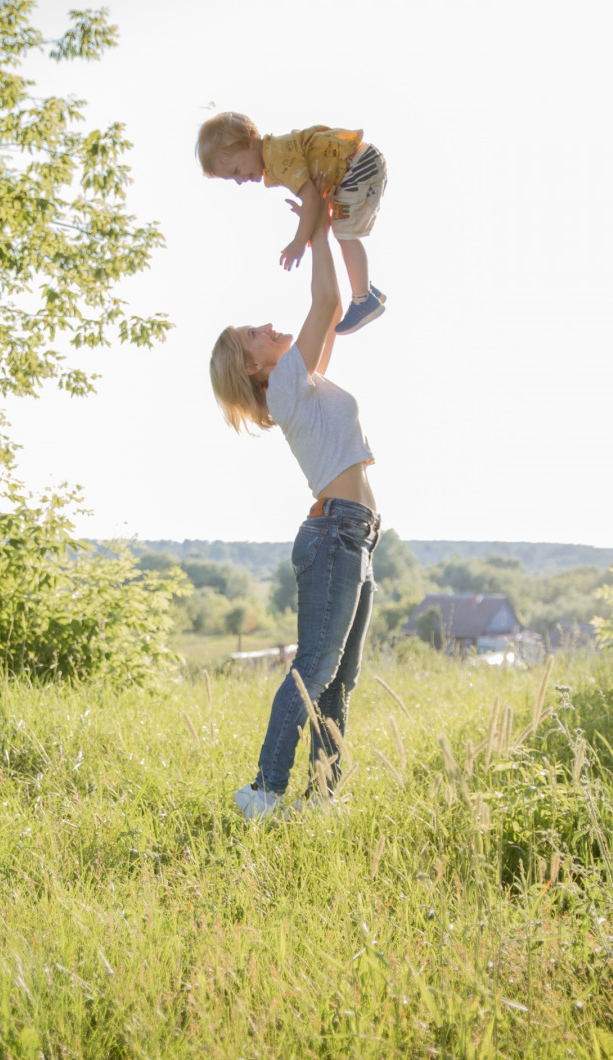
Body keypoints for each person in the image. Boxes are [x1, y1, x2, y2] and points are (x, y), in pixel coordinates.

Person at [209, 184, 381, 821]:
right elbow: (328, 299)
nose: (268, 327)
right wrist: (317, 230)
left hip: (357, 536)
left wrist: (322, 225)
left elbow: (329, 313)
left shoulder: (299, 380)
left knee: (339, 679)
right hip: (335, 535)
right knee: (314, 665)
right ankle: (264, 791)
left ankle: (324, 798)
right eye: (255, 333)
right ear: (252, 368)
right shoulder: (284, 384)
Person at [197, 112, 387, 336]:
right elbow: (315, 198)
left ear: (248, 143)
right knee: (342, 229)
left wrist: (299, 242)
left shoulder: (279, 161)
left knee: (344, 233)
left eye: (236, 171)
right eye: (233, 179)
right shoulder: (279, 151)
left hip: (356, 167)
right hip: (360, 162)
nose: (240, 181)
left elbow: (312, 199)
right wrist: (313, 219)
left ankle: (363, 299)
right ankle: (365, 288)